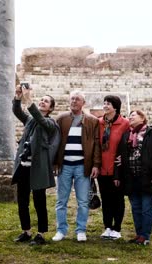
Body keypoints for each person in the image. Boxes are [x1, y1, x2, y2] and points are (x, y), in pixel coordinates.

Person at [11, 80, 58, 246]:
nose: (42, 102)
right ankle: (26, 231)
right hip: (24, 166)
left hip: (38, 168)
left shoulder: (51, 123)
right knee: (22, 200)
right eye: (41, 99)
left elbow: (40, 118)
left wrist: (28, 100)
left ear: (50, 108)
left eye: (46, 101)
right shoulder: (30, 120)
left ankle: (41, 234)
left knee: (39, 202)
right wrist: (18, 97)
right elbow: (17, 112)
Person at [52, 90, 101, 242]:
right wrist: (55, 162)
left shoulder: (92, 121)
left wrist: (95, 164)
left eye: (77, 99)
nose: (74, 101)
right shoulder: (61, 118)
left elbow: (97, 144)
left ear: (83, 103)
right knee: (61, 201)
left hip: (82, 167)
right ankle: (61, 230)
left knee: (83, 201)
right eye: (72, 99)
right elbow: (54, 142)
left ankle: (81, 230)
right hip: (65, 166)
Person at [114, 110, 152, 246]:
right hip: (131, 178)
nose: (130, 117)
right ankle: (139, 234)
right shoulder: (126, 135)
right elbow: (120, 158)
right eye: (129, 116)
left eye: (133, 116)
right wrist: (118, 175)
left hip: (148, 178)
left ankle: (145, 236)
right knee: (136, 208)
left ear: (142, 118)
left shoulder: (151, 133)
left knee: (147, 208)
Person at [97, 95, 129, 240]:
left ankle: (117, 228)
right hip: (102, 168)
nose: (105, 105)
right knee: (106, 199)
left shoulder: (125, 124)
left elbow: (128, 144)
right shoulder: (99, 123)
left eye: (108, 103)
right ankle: (107, 227)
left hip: (117, 169)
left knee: (118, 199)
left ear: (115, 107)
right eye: (104, 103)